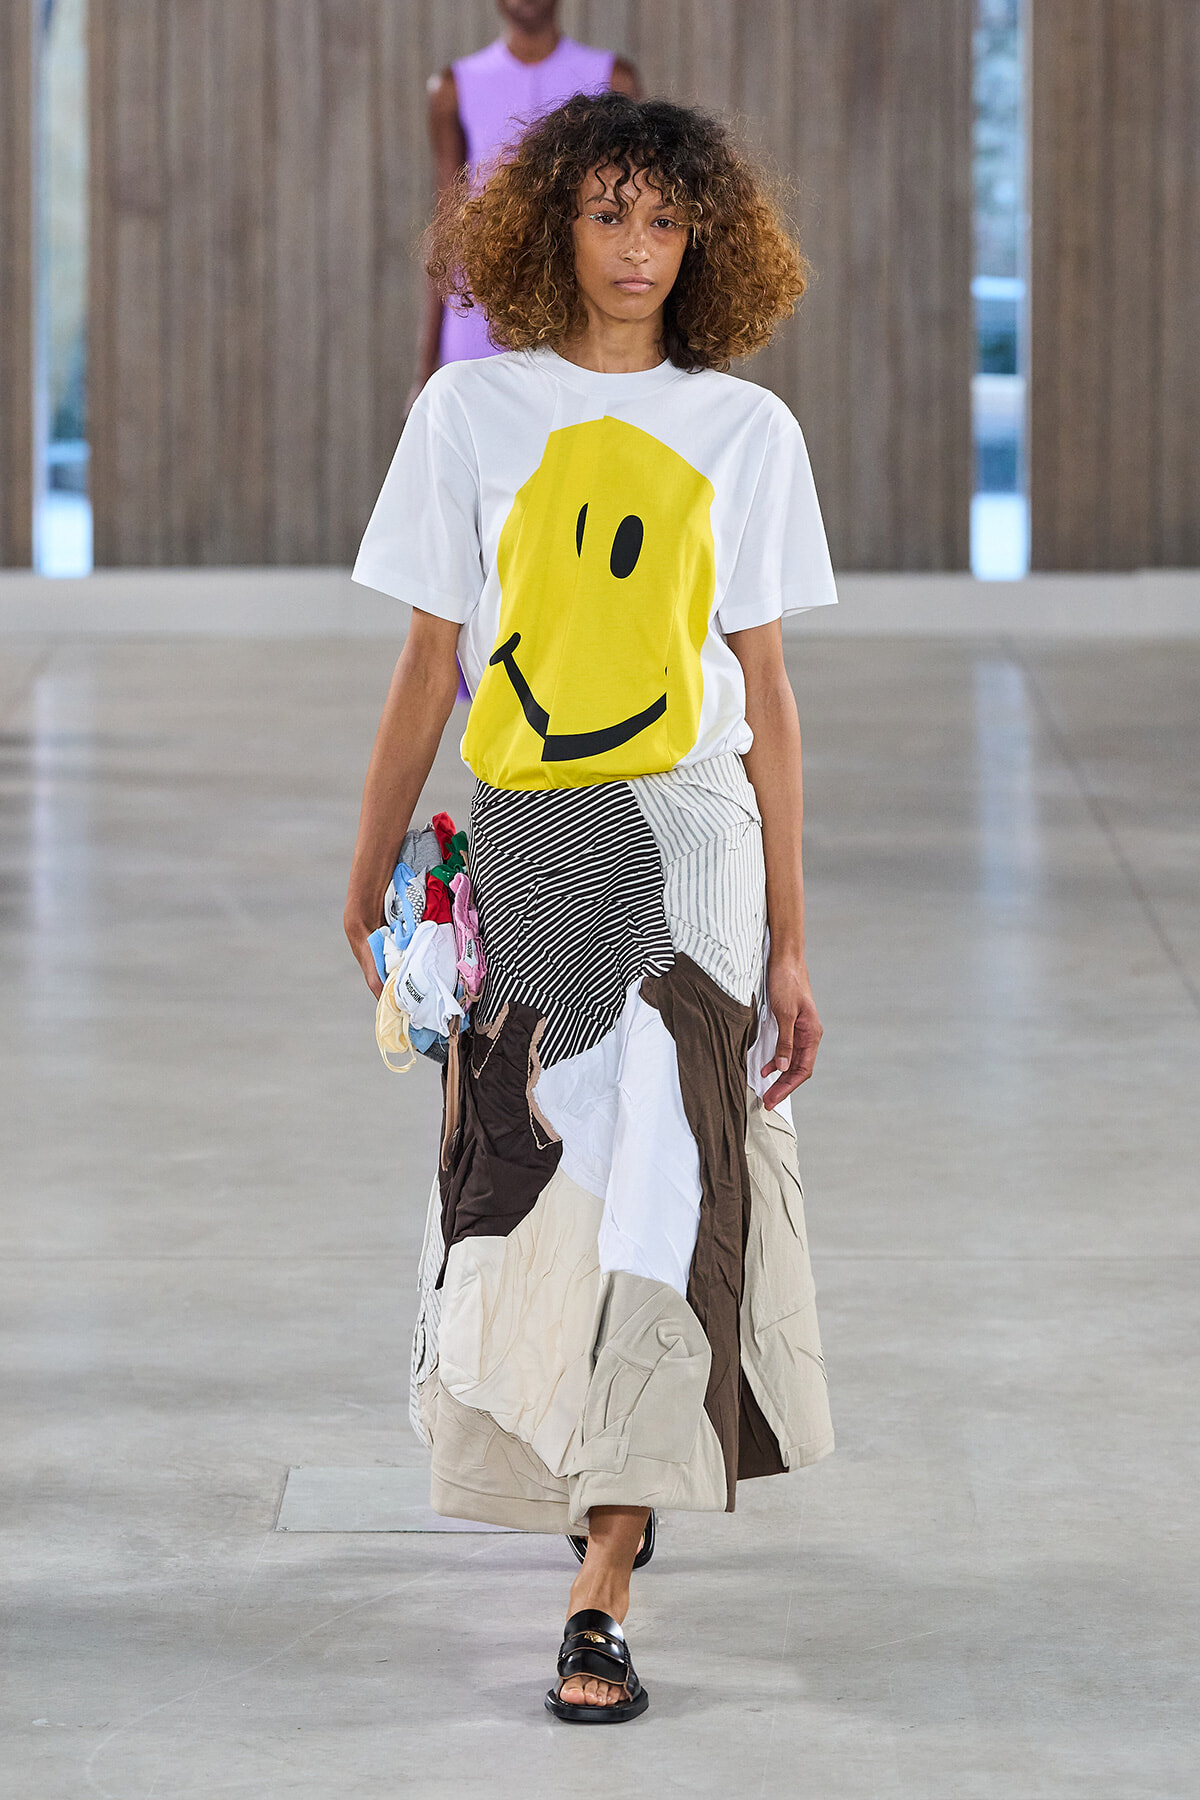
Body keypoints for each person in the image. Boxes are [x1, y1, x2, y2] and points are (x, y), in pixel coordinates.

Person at [347, 92, 836, 1725]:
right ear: (547, 227)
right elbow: (430, 658)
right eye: (608, 213)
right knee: (534, 1182)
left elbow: (763, 695)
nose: (636, 249)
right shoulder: (469, 412)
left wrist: (793, 936)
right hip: (532, 841)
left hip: (692, 842)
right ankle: (584, 1477)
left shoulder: (747, 435)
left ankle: (606, 1573)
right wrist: (363, 875)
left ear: (708, 246)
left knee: (673, 1187)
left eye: (665, 221)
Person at [411, 0, 640, 405]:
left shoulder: (613, 79)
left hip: (576, 300)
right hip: (478, 308)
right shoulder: (453, 86)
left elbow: (629, 213)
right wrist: (423, 369)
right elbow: (447, 219)